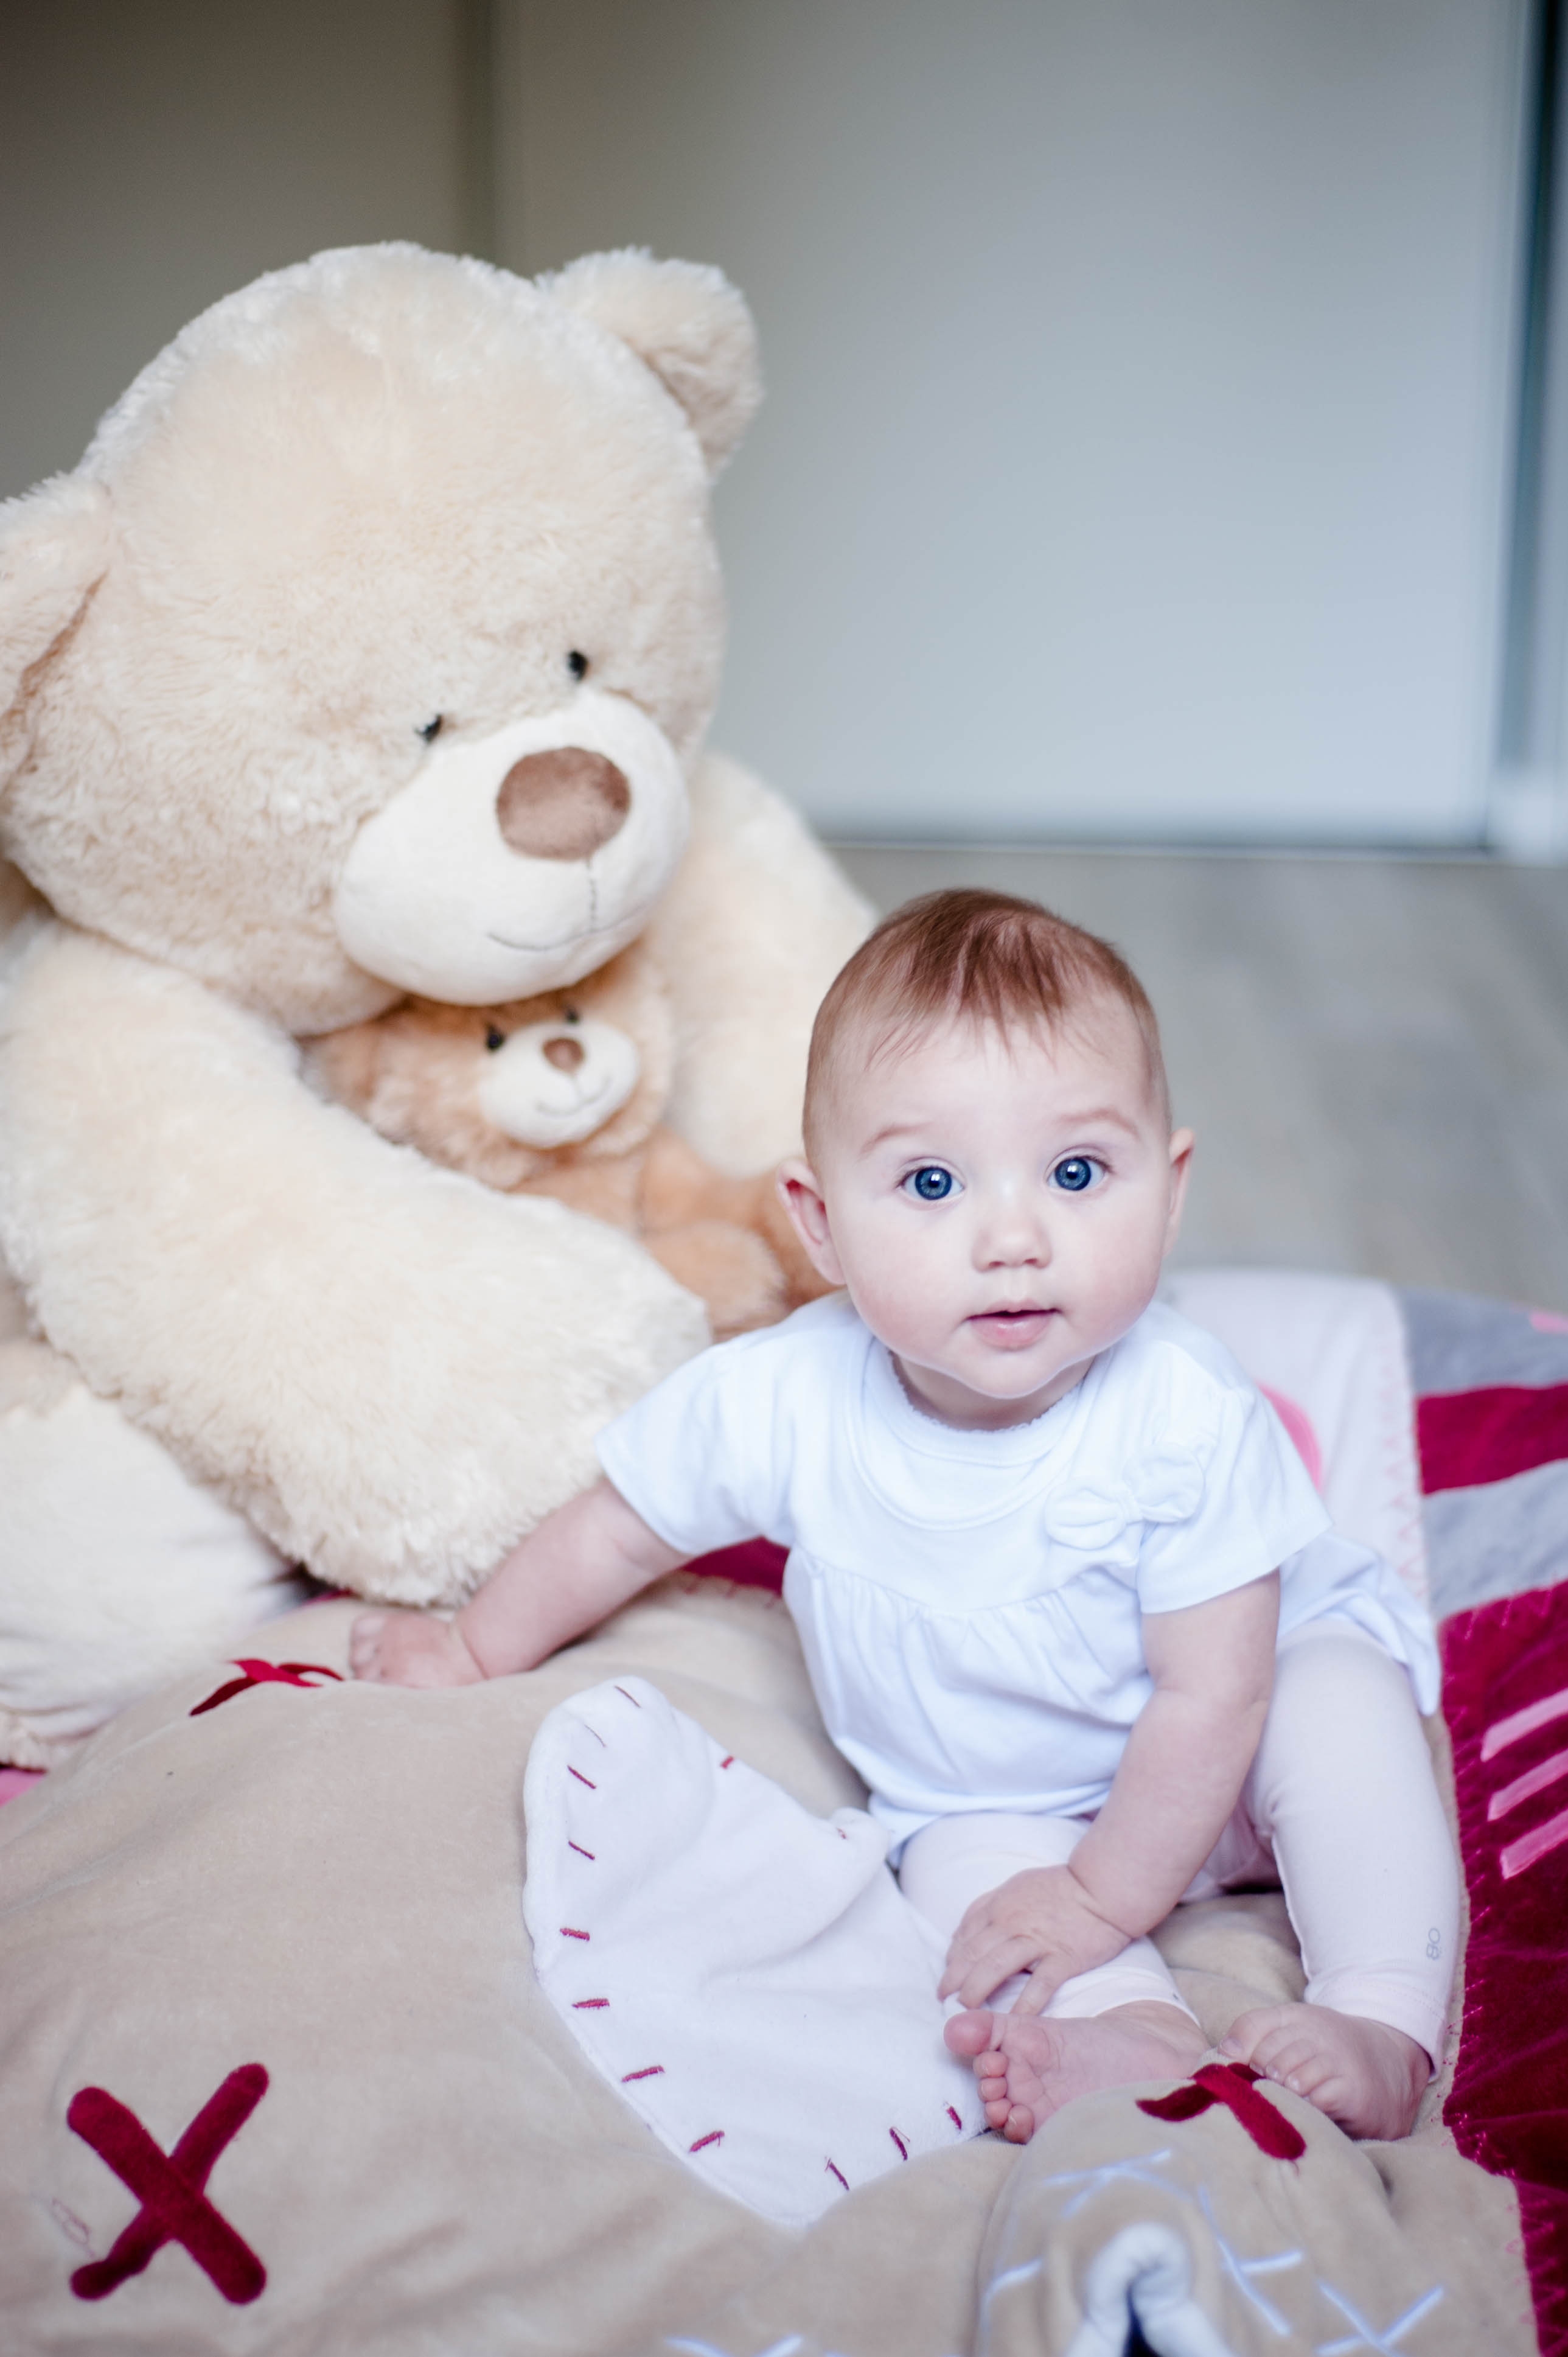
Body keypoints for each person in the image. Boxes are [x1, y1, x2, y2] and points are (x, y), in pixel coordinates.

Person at [352, 889, 1456, 2144]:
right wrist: (470, 1647)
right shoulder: (782, 1396)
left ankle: (1379, 2013)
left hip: (1237, 1742)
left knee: (1343, 1707)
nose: (1011, 1236)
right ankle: (1127, 2036)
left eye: (1078, 1171)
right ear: (818, 1223)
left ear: (1168, 1187)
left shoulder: (1183, 1414)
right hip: (993, 1795)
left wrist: (1101, 1892)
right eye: (929, 1180)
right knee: (961, 1889)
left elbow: (1215, 1695)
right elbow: (617, 1526)